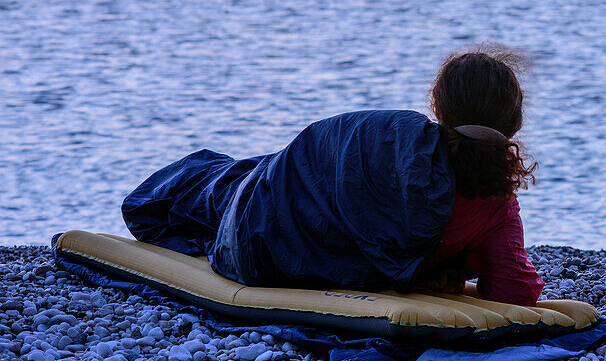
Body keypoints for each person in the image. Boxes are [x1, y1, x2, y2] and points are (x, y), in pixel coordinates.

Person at [121, 44, 544, 306]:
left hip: (261, 235)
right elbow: (513, 291)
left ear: (439, 107)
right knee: (230, 180)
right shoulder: (496, 205)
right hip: (279, 231)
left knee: (205, 185)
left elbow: (322, 150)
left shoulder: (390, 135)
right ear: (514, 123)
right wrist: (434, 269)